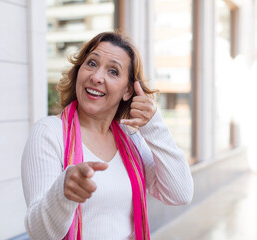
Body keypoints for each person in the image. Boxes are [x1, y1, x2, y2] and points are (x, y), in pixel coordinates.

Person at [21, 31, 193, 240]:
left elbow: (180, 193)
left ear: (128, 91)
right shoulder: (49, 133)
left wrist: (153, 124)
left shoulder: (132, 139)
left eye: (113, 71)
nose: (97, 77)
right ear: (79, 71)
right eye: (91, 64)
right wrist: (63, 193)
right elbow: (40, 233)